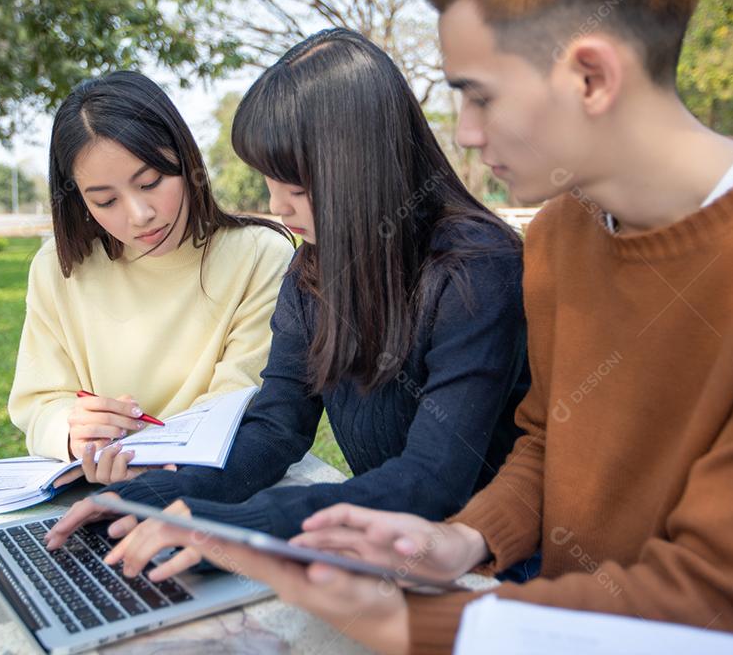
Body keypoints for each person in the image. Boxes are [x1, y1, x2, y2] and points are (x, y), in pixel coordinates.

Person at [86, 0, 733, 653]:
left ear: (591, 77)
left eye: (479, 96)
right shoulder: (562, 235)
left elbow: (723, 600)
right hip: (538, 605)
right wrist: (463, 539)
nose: (462, 133)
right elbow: (546, 445)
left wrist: (386, 609)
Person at [44, 29, 532, 571]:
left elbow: (430, 479)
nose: (278, 206)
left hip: (502, 569)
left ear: (365, 167)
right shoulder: (312, 273)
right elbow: (277, 428)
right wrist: (145, 500)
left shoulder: (475, 269)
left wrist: (252, 526)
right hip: (385, 556)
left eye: (297, 187)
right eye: (270, 182)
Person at [9, 71, 294, 484]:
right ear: (80, 201)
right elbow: (39, 403)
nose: (140, 215)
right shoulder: (58, 267)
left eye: (151, 182)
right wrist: (74, 433)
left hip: (223, 486)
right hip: (100, 489)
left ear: (186, 159)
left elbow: (240, 401)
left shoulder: (259, 254)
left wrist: (160, 462)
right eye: (105, 200)